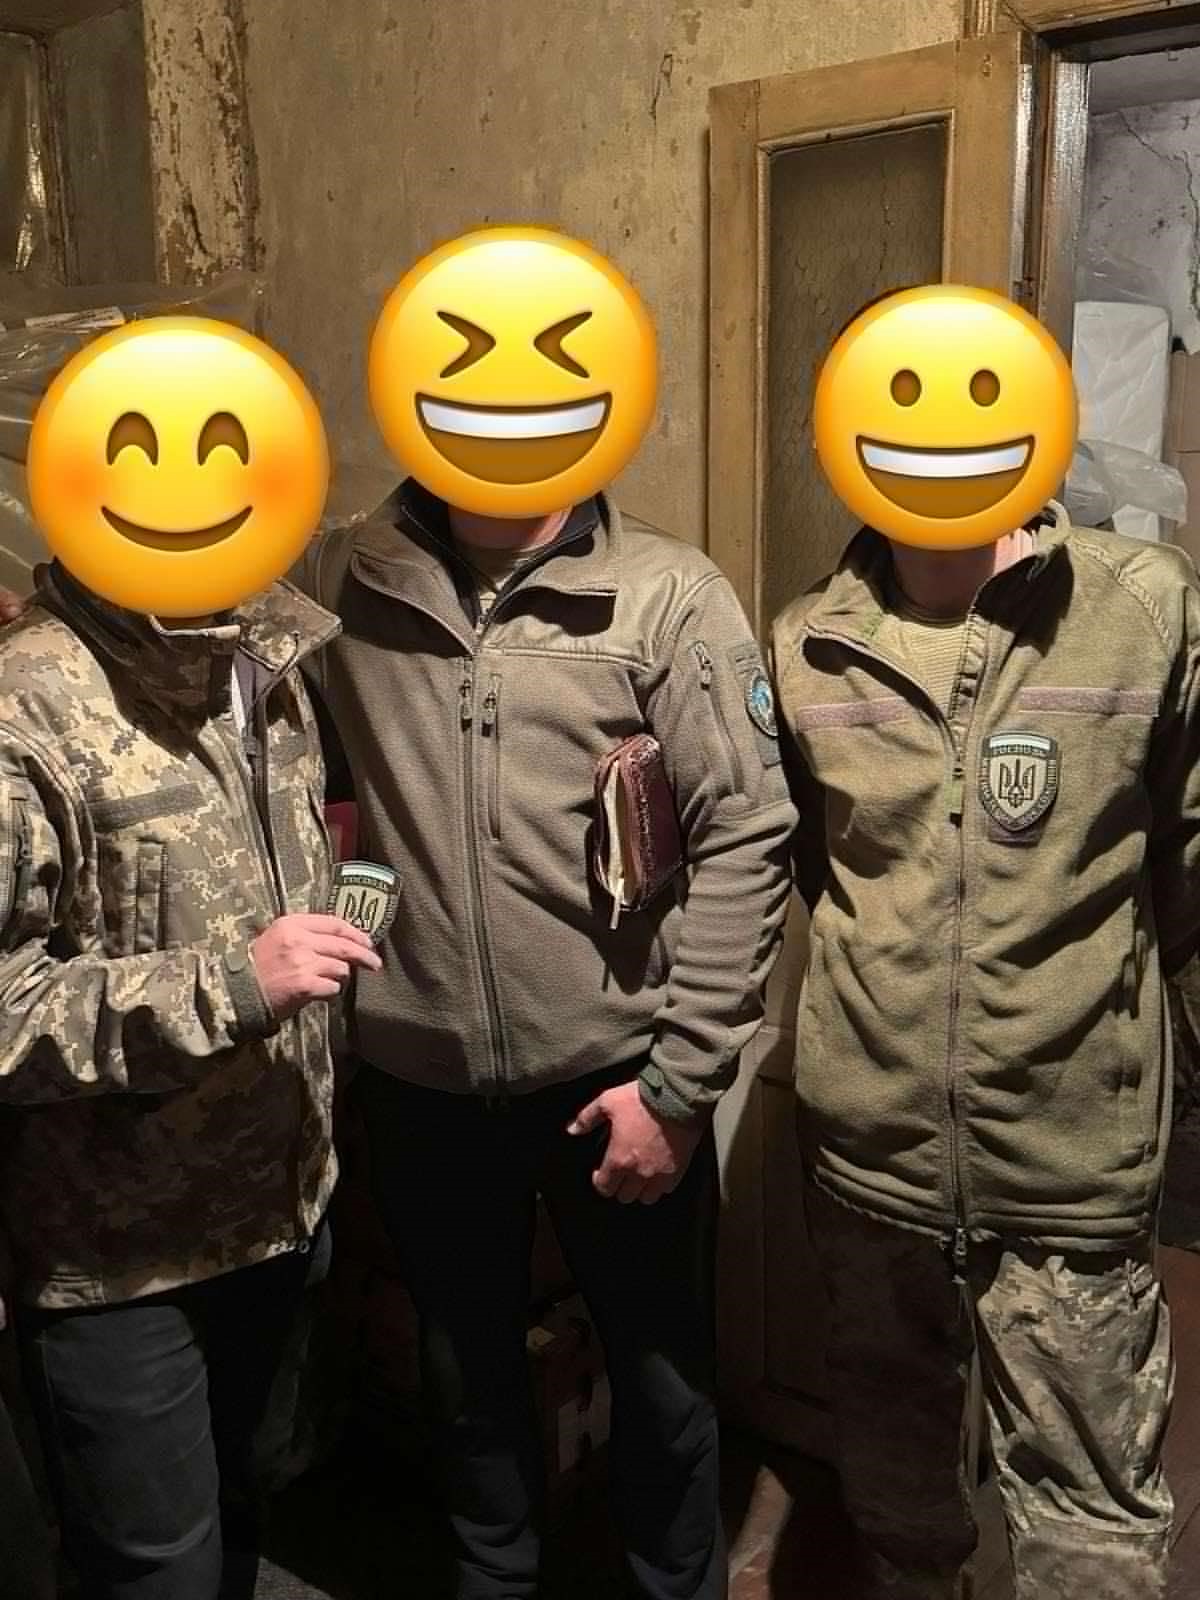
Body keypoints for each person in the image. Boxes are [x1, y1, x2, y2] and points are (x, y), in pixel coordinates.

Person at [293, 468, 796, 1598]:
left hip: (617, 1079)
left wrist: (676, 1089)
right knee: (465, 1377)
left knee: (663, 1379)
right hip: (421, 1079)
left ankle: (679, 1583)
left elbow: (750, 834)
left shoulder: (667, 593)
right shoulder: (341, 575)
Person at [771, 287, 1200, 1599]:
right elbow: (816, 867)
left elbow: (1187, 868)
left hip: (1070, 1161)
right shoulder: (807, 645)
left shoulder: (1147, 611)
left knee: (1089, 1525)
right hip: (870, 1166)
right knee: (898, 1496)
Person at [0, 557, 380, 1600]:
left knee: (244, 1520)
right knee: (156, 1570)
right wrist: (227, 986)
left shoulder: (275, 650)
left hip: (280, 1211)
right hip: (123, 1265)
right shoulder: (26, 697)